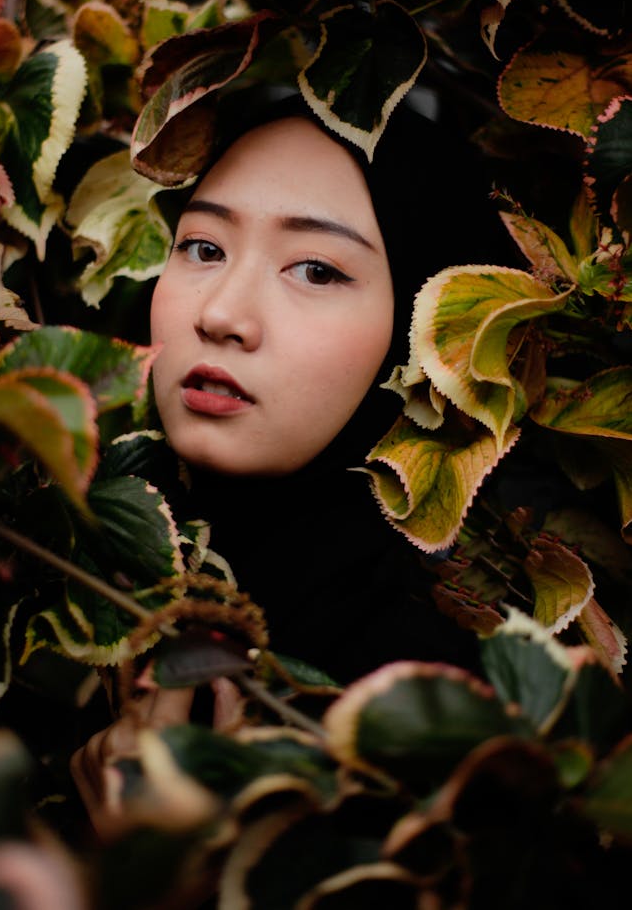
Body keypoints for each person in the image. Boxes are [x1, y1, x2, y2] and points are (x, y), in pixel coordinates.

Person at [71, 90, 505, 827]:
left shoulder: (435, 706)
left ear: (429, 333)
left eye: (315, 270)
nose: (221, 314)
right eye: (204, 248)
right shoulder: (64, 564)